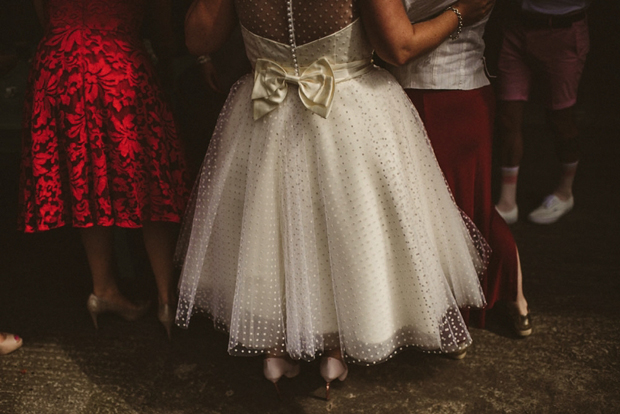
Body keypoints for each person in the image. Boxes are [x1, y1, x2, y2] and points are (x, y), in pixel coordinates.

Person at [177, 0, 492, 399]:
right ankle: (335, 348)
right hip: (347, 109)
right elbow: (399, 46)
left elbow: (197, 37)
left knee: (268, 226)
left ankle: (275, 347)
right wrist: (463, 12)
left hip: (263, 110)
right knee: (345, 228)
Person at [19, 0, 191, 339]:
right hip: (117, 66)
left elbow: (43, 15)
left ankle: (103, 290)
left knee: (86, 180)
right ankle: (166, 299)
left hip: (59, 67)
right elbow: (162, 27)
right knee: (150, 180)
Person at [386, 0, 531, 339]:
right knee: (469, 207)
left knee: (442, 213)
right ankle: (513, 294)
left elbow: (399, 37)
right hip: (461, 90)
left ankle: (450, 313)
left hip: (432, 94)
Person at [494, 0, 591, 224]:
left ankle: (565, 193)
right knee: (507, 117)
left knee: (560, 119)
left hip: (563, 31)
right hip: (518, 27)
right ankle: (507, 203)